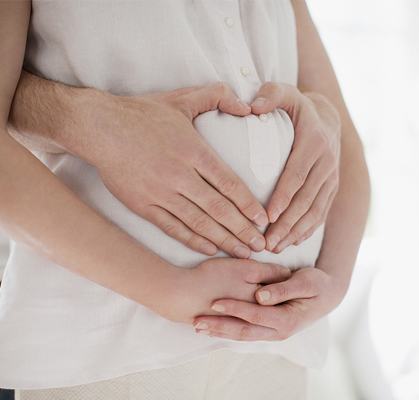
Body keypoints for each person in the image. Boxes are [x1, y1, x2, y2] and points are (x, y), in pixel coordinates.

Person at [0, 1, 370, 399]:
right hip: (106, 336)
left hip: (277, 345)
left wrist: (334, 280)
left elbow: (343, 140)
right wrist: (168, 288)